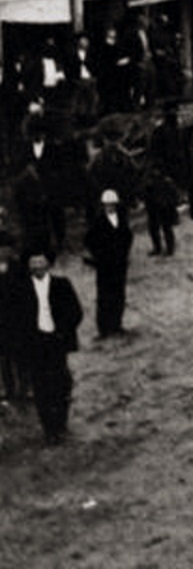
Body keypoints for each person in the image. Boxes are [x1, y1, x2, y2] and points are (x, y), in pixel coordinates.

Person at [13, 247, 82, 444]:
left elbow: (75, 312)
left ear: (48, 264)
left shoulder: (61, 285)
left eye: (41, 262)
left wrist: (62, 332)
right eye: (33, 263)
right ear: (28, 266)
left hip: (56, 341)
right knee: (41, 386)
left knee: (61, 383)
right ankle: (49, 429)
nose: (37, 267)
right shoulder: (21, 289)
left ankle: (61, 423)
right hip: (35, 343)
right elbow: (15, 318)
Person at [83, 188, 133, 339]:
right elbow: (88, 240)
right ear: (102, 205)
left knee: (119, 294)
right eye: (107, 205)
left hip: (119, 263)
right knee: (104, 296)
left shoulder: (122, 218)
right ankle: (103, 329)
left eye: (112, 204)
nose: (109, 207)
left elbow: (128, 236)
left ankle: (117, 325)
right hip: (105, 266)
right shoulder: (98, 221)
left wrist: (124, 253)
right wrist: (99, 256)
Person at [148, 99, 193, 220]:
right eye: (170, 112)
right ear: (166, 114)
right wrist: (160, 167)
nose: (173, 114)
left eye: (174, 111)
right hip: (168, 164)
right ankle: (173, 216)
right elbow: (155, 151)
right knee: (168, 189)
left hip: (182, 162)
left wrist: (191, 160)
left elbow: (187, 145)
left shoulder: (181, 128)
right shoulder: (159, 131)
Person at [0, 229, 31, 404]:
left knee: (21, 357)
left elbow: (26, 294)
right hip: (1, 321)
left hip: (17, 320)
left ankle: (24, 389)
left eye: (6, 248)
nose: (3, 252)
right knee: (4, 359)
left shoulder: (19, 269)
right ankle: (8, 390)